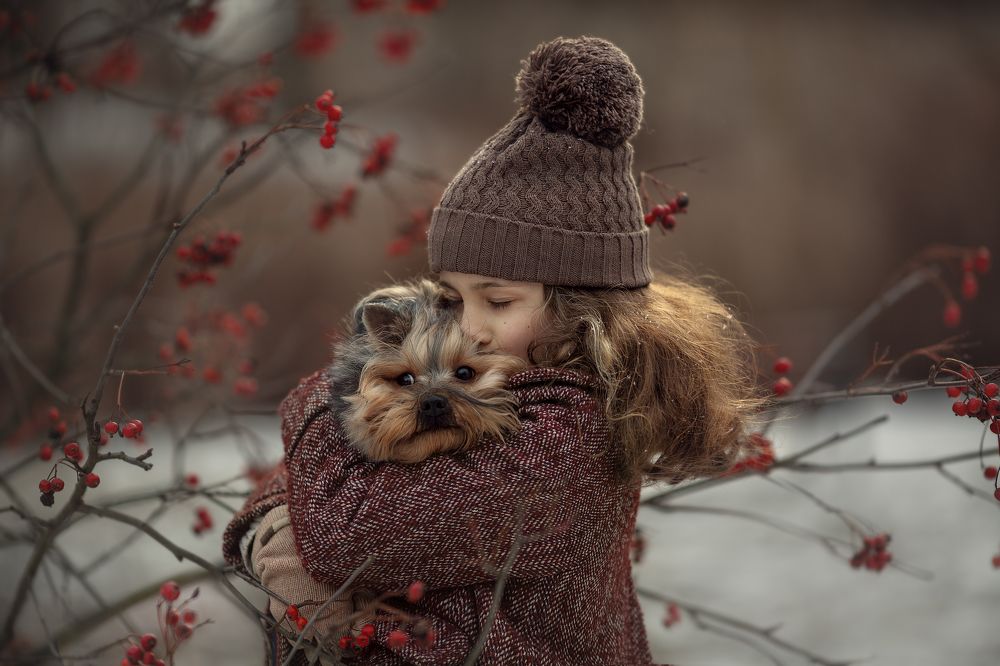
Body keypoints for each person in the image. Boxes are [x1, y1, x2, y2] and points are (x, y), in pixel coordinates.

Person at [223, 35, 766, 665]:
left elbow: (350, 534)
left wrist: (327, 396)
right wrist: (275, 528)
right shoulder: (502, 384)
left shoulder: (568, 438)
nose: (470, 328)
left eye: (498, 302)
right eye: (451, 299)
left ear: (581, 305)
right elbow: (298, 489)